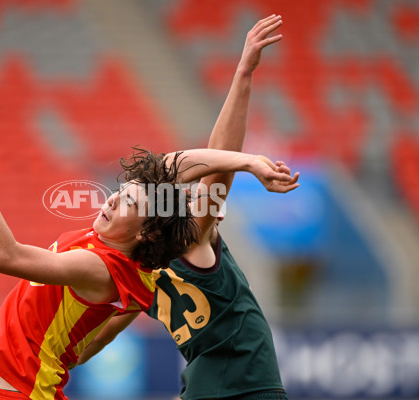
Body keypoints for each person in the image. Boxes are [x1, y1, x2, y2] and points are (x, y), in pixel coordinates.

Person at [0, 105, 299, 399]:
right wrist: (247, 161)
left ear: (145, 231)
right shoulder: (119, 247)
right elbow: (168, 168)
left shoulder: (103, 265)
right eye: (121, 190)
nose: (113, 198)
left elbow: (5, 257)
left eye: (128, 200)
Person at [76, 15, 294, 400]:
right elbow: (106, 332)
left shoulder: (162, 254)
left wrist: (243, 75)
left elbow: (216, 165)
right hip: (234, 383)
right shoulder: (156, 256)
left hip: (236, 384)